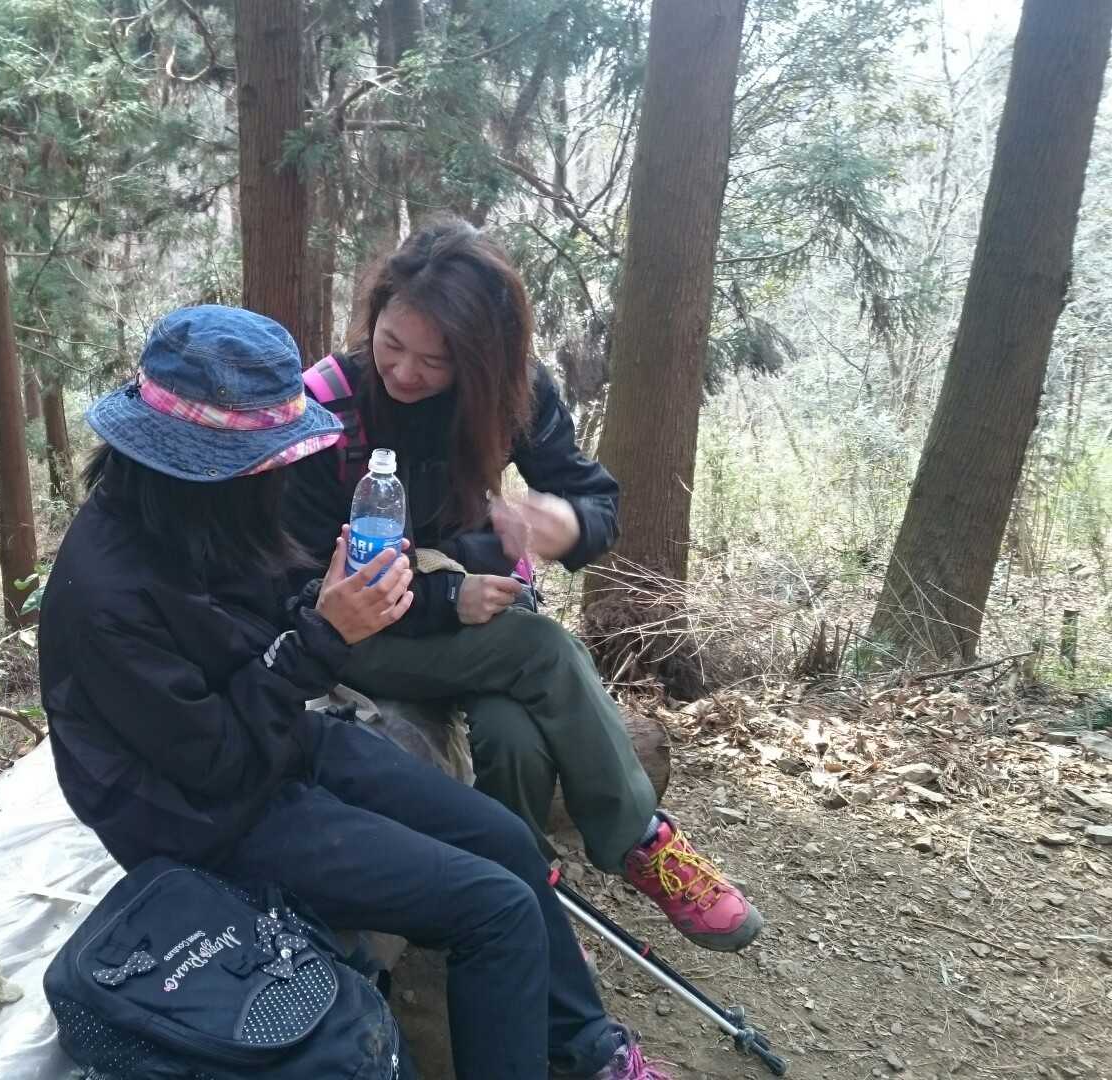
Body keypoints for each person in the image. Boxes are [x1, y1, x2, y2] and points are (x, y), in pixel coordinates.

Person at [39, 304, 670, 1079]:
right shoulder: (107, 594)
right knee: (494, 909)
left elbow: (273, 618)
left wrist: (332, 597)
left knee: (505, 840)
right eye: (264, 461)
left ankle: (585, 1048)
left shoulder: (205, 517)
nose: (278, 473)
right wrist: (322, 636)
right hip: (199, 815)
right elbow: (215, 763)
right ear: (196, 464)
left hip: (278, 744)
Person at [283, 218, 764, 953]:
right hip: (362, 636)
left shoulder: (515, 394)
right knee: (543, 649)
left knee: (512, 738)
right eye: (392, 344)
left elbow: (595, 502)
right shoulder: (328, 404)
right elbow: (299, 577)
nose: (405, 373)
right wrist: (447, 599)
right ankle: (642, 841)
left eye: (435, 361)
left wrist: (567, 525)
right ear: (373, 317)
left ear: (483, 357)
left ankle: (519, 904)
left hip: (477, 626)